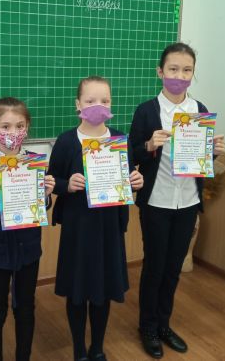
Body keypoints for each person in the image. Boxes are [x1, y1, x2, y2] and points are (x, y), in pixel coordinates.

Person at [128, 42, 225, 359]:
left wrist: (211, 152)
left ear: (193, 74)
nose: (179, 76)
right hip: (156, 201)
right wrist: (148, 145)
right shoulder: (146, 110)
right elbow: (130, 155)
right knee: (154, 267)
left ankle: (164, 325)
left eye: (186, 70)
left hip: (188, 202)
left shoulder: (199, 109)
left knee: (173, 268)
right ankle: (147, 327)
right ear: (160, 71)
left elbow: (201, 162)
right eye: (173, 69)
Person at [48, 76, 144, 361]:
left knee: (103, 289)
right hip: (78, 228)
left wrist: (136, 182)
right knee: (77, 291)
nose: (97, 106)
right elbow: (51, 180)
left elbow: (127, 179)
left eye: (104, 100)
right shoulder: (66, 141)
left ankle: (97, 347)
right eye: (90, 101)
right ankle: (79, 348)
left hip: (109, 228)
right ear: (78, 104)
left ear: (111, 104)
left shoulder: (119, 140)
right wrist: (67, 184)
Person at [0, 97, 55, 361]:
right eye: (5, 127)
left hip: (29, 249)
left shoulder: (35, 163)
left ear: (27, 127)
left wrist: (46, 195)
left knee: (26, 308)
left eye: (19, 126)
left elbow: (42, 207)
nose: (13, 132)